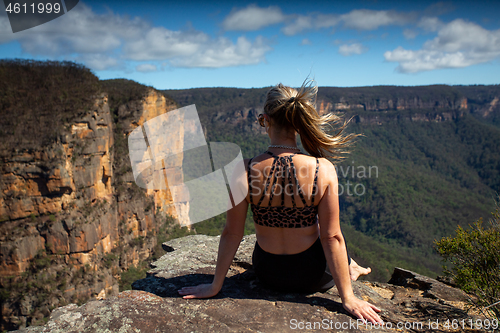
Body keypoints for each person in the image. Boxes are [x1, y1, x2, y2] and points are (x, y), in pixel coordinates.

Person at [178, 80, 383, 325]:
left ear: (265, 120)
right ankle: (351, 268)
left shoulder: (242, 169)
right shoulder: (322, 169)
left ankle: (352, 266)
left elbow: (232, 233)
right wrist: (347, 298)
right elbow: (333, 238)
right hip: (314, 276)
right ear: (298, 122)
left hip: (268, 272)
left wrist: (215, 285)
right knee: (328, 232)